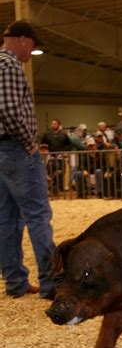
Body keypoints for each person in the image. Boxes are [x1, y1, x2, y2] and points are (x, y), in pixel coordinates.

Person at [0, 20, 57, 299]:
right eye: (32, 46)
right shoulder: (9, 66)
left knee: (6, 219)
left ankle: (15, 282)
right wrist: (29, 143)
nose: (31, 52)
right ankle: (50, 282)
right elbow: (9, 111)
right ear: (23, 40)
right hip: (15, 150)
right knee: (38, 215)